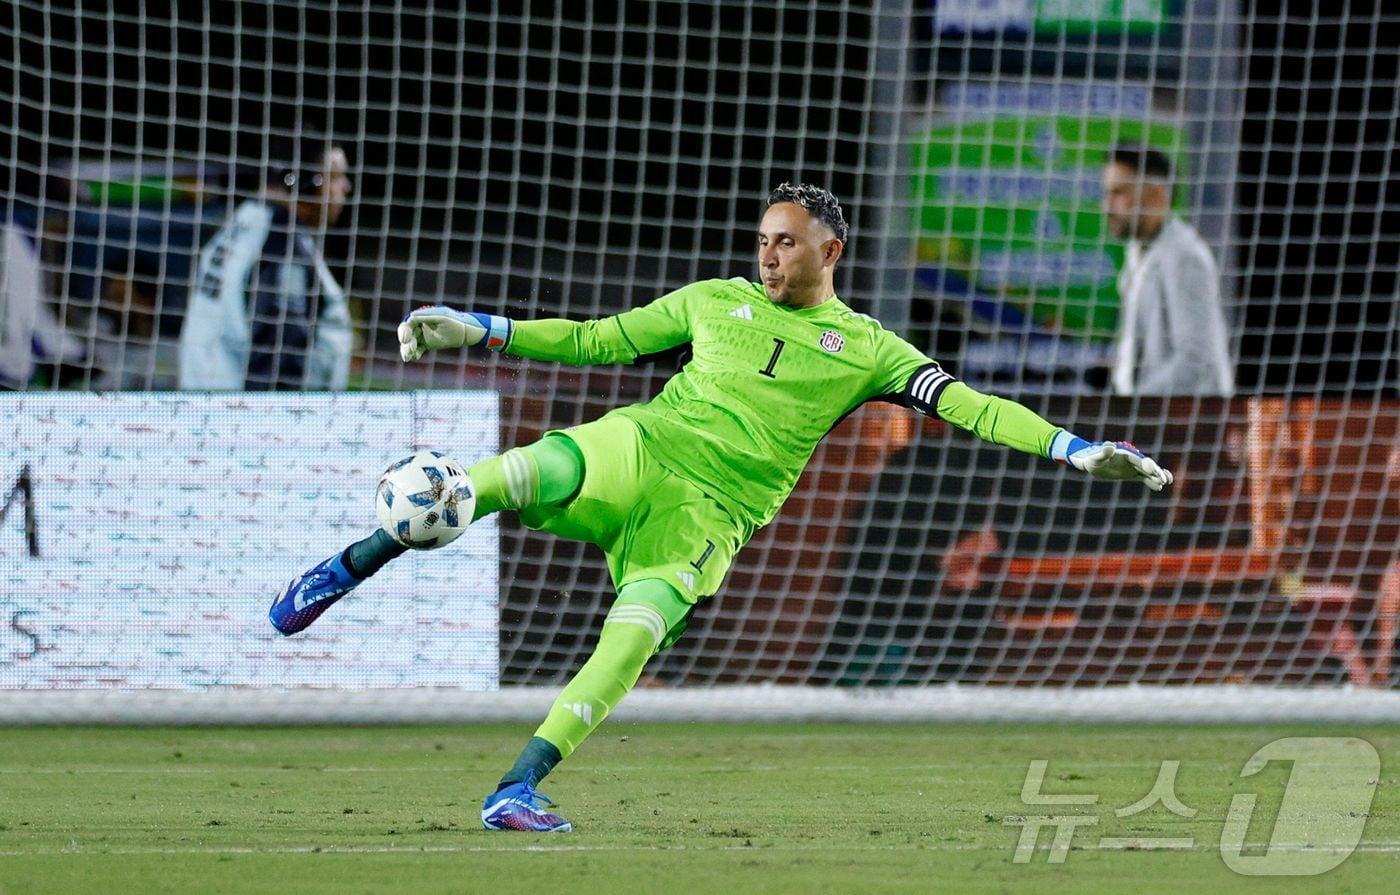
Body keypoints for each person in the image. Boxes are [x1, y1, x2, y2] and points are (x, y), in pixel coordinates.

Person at [267, 183, 1174, 833]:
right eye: (763, 239)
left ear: (831, 250)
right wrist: (484, 327)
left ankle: (517, 784)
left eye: (786, 240)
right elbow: (598, 339)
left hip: (708, 519)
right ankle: (347, 565)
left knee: (625, 645)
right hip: (640, 449)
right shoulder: (714, 302)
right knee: (488, 481)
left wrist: (1073, 446)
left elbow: (974, 406)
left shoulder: (869, 350)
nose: (768, 254)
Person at [178, 138, 353, 390]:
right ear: (306, 182)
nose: (345, 187)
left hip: (213, 408)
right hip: (251, 419)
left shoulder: (243, 223)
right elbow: (279, 355)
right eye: (335, 177)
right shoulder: (280, 248)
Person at [1102, 145, 1235, 396]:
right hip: (1157, 416)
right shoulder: (1138, 253)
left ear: (1156, 194)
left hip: (1188, 422)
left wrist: (1134, 406)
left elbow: (1196, 360)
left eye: (1119, 193)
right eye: (1107, 193)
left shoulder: (1183, 256)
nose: (1107, 206)